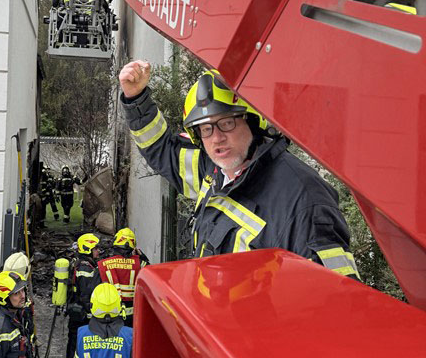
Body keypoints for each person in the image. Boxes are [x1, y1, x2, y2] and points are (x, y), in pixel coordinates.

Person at [118, 61, 359, 278]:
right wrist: (136, 98)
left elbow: (332, 305)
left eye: (227, 122)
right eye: (205, 129)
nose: (217, 138)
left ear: (253, 121)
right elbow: (162, 151)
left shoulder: (304, 200)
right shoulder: (214, 170)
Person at [65, 233, 101, 358]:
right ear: (88, 249)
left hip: (75, 313)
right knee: (78, 346)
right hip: (82, 316)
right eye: (95, 248)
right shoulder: (86, 268)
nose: (98, 251)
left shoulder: (78, 263)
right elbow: (86, 295)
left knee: (73, 344)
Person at [97, 228, 145, 326]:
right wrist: (142, 256)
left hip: (108, 314)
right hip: (132, 317)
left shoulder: (103, 264)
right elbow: (152, 276)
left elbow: (94, 289)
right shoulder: (140, 264)